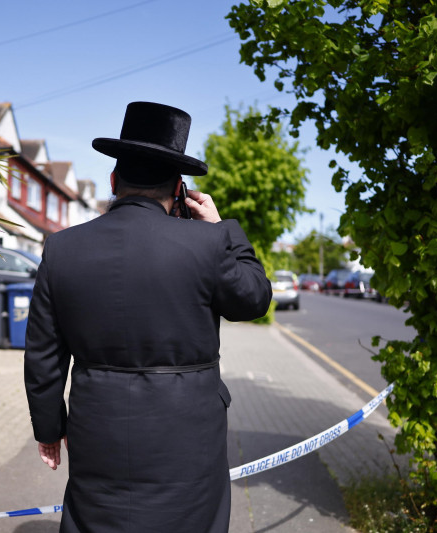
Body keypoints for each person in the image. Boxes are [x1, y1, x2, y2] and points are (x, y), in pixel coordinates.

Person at [24, 101, 271, 533]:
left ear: (115, 180)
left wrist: (48, 428)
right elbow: (252, 300)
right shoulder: (207, 244)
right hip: (189, 437)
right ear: (179, 189)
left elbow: (44, 353)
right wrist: (222, 229)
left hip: (96, 431)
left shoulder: (62, 248)